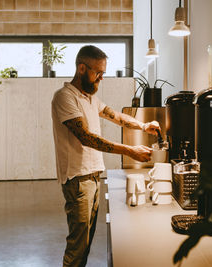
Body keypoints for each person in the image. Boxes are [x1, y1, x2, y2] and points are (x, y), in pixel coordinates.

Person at [51, 45, 160, 267]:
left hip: (92, 177)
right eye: (98, 72)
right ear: (82, 68)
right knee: (77, 245)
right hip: (77, 179)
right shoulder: (65, 97)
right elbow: (86, 138)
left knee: (86, 242)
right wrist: (130, 150)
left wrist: (143, 125)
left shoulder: (89, 98)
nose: (101, 77)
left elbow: (116, 116)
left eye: (103, 72)